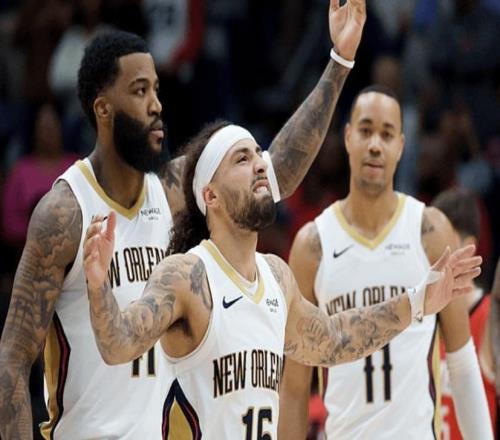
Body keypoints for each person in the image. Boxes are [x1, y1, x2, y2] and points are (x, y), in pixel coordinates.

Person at [0, 0, 368, 437]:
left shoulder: (171, 191)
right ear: (103, 109)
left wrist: (339, 61)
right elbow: (13, 359)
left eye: (156, 89)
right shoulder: (65, 213)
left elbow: (276, 171)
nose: (157, 104)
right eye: (139, 91)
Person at [82, 121, 480, 439]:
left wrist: (418, 301)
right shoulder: (187, 275)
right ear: (211, 195)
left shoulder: (276, 277)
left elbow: (335, 338)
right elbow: (118, 345)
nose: (260, 164)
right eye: (242, 158)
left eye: (259, 154)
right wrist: (99, 286)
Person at [278, 85, 493, 440]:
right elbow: (296, 386)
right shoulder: (311, 245)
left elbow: (461, 360)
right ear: (348, 137)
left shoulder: (430, 230)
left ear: (401, 147)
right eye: (365, 131)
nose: (375, 144)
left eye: (387, 134)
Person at [432, 188, 496, 439]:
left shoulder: (490, 318)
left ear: (468, 247)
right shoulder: (423, 318)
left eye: (442, 243)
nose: (433, 253)